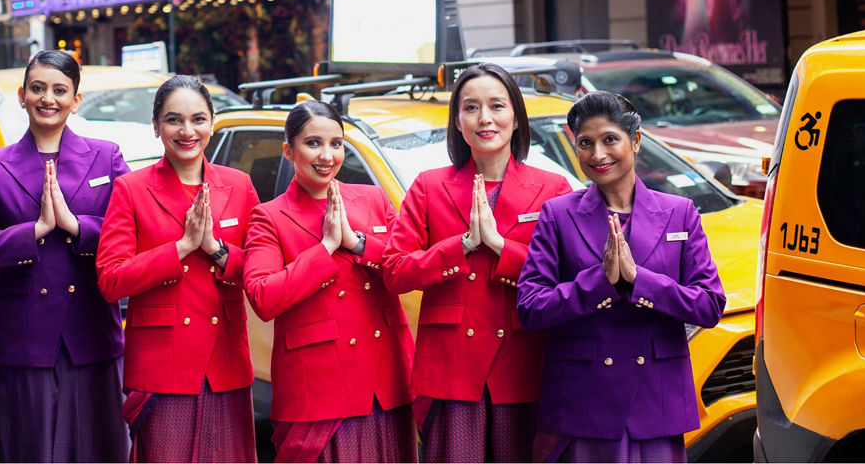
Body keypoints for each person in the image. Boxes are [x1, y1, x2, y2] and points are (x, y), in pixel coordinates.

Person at [516, 91, 726, 463]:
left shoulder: (679, 213)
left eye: (610, 139)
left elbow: (709, 305)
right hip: (584, 403)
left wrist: (637, 279)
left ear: (636, 140)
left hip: (655, 403)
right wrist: (601, 282)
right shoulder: (558, 215)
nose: (598, 154)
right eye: (585, 143)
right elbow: (531, 308)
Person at [0, 50, 131, 462]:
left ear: (76, 100)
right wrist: (33, 232)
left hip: (92, 335)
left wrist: (78, 226)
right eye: (39, 88)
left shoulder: (107, 157)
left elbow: (136, 234)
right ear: (22, 96)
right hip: (22, 342)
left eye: (60, 90)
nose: (49, 98)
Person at [382, 63, 573, 462]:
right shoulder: (428, 186)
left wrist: (502, 247)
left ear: (517, 118)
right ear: (457, 120)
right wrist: (461, 246)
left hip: (523, 366)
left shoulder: (553, 187)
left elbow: (567, 278)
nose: (485, 118)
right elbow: (395, 271)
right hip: (451, 370)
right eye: (471, 107)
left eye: (497, 106)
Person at [95, 75, 261, 462]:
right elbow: (111, 279)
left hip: (225, 362)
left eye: (198, 119)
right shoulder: (132, 189)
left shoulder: (239, 185)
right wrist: (182, 248)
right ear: (155, 126)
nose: (187, 131)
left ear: (212, 121)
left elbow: (258, 275)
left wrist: (216, 250)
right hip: (163, 364)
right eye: (174, 120)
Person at [244, 100, 416, 463]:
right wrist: (325, 249)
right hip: (318, 386)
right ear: (289, 150)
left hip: (384, 379)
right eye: (313, 143)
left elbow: (407, 268)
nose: (327, 155)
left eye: (336, 144)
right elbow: (263, 296)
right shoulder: (269, 217)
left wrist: (356, 244)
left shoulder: (372, 199)